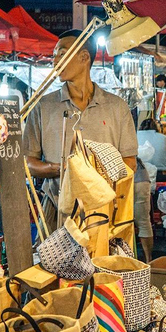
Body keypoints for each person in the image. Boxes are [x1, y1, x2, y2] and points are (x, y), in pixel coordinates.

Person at [23, 29, 138, 233]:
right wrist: (64, 169)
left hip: (103, 209)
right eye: (54, 55)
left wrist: (96, 175)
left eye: (62, 53)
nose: (55, 60)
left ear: (84, 57)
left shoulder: (116, 106)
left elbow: (129, 162)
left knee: (101, 263)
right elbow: (28, 162)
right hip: (56, 207)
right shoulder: (43, 107)